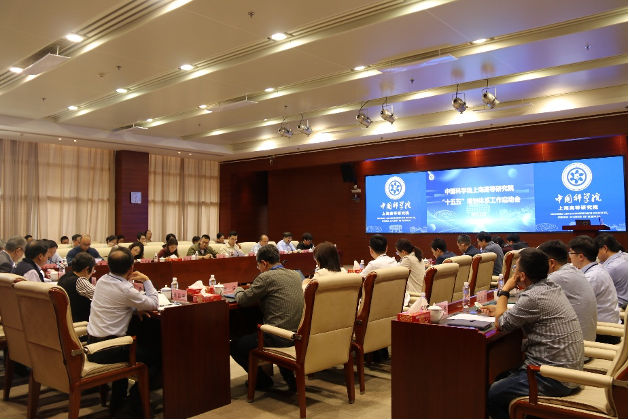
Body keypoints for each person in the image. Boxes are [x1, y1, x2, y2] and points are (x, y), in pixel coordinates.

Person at [482, 248, 583, 419]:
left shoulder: (532, 297)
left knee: (489, 396)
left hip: (552, 377)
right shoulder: (552, 287)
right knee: (502, 376)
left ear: (521, 276)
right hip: (569, 372)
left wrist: (505, 291)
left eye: (516, 268)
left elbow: (501, 323)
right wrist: (502, 310)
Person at [86, 248, 160, 416]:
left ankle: (117, 404)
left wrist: (135, 306)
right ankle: (133, 401)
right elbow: (154, 303)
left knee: (134, 344)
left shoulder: (102, 280)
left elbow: (116, 303)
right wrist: (147, 280)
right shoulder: (125, 289)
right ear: (131, 268)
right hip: (109, 349)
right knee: (155, 357)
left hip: (92, 345)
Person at [231, 245, 303, 391]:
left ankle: (262, 380)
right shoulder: (295, 275)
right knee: (276, 323)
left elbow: (243, 300)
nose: (259, 269)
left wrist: (237, 289)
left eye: (258, 266)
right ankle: (290, 379)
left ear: (264, 263)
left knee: (233, 346)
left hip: (277, 337)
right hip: (297, 335)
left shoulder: (265, 277)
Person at [538, 240, 598, 342]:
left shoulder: (556, 277)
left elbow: (530, 303)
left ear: (551, 263)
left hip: (575, 346)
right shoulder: (576, 271)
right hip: (587, 340)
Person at [568, 236, 620, 326]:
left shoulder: (591, 277)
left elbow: (576, 307)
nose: (570, 257)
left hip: (604, 329)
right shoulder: (598, 268)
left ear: (580, 256)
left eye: (571, 253)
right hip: (606, 324)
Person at [58, 252, 96, 323]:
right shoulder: (80, 281)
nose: (92, 273)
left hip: (66, 320)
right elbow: (100, 296)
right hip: (79, 322)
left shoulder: (64, 277)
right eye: (93, 270)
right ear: (86, 269)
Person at [595, 234, 628, 309]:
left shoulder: (612, 267)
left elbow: (593, 288)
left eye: (597, 250)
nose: (596, 254)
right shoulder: (624, 255)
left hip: (617, 308)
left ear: (605, 248)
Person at [396, 239, 426, 307]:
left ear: (403, 252)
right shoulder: (417, 257)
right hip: (420, 293)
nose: (398, 255)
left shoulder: (407, 259)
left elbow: (398, 275)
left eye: (397, 252)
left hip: (413, 295)